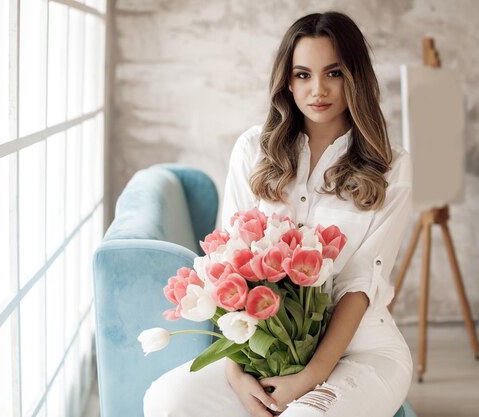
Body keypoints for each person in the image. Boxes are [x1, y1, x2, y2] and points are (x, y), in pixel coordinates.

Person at [144, 11, 413, 417]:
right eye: (303, 74)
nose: (317, 89)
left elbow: (359, 285)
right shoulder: (254, 150)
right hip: (257, 351)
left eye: (334, 73)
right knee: (166, 400)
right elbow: (227, 266)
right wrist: (236, 371)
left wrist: (309, 378)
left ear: (355, 77)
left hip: (359, 352)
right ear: (287, 81)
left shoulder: (391, 166)